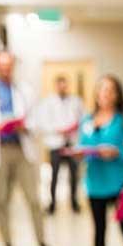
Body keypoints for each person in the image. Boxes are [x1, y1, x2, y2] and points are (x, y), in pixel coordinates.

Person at [0, 51, 57, 246]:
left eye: (9, 65)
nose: (6, 69)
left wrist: (24, 125)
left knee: (34, 199)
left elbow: (35, 120)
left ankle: (41, 243)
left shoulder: (25, 90)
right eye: (2, 66)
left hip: (21, 148)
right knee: (2, 201)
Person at [77, 75, 123, 246]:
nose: (105, 94)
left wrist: (117, 153)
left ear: (117, 94)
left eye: (110, 90)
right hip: (95, 183)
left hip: (120, 182)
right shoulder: (87, 120)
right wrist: (82, 154)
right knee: (99, 231)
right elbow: (83, 147)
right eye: (102, 89)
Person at [37, 75, 85, 214]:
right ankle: (52, 204)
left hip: (72, 143)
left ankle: (74, 203)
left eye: (65, 84)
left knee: (74, 175)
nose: (62, 87)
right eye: (60, 85)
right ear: (56, 85)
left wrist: (73, 128)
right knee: (54, 175)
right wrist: (59, 129)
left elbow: (83, 119)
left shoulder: (76, 101)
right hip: (55, 142)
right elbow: (44, 123)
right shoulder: (48, 102)